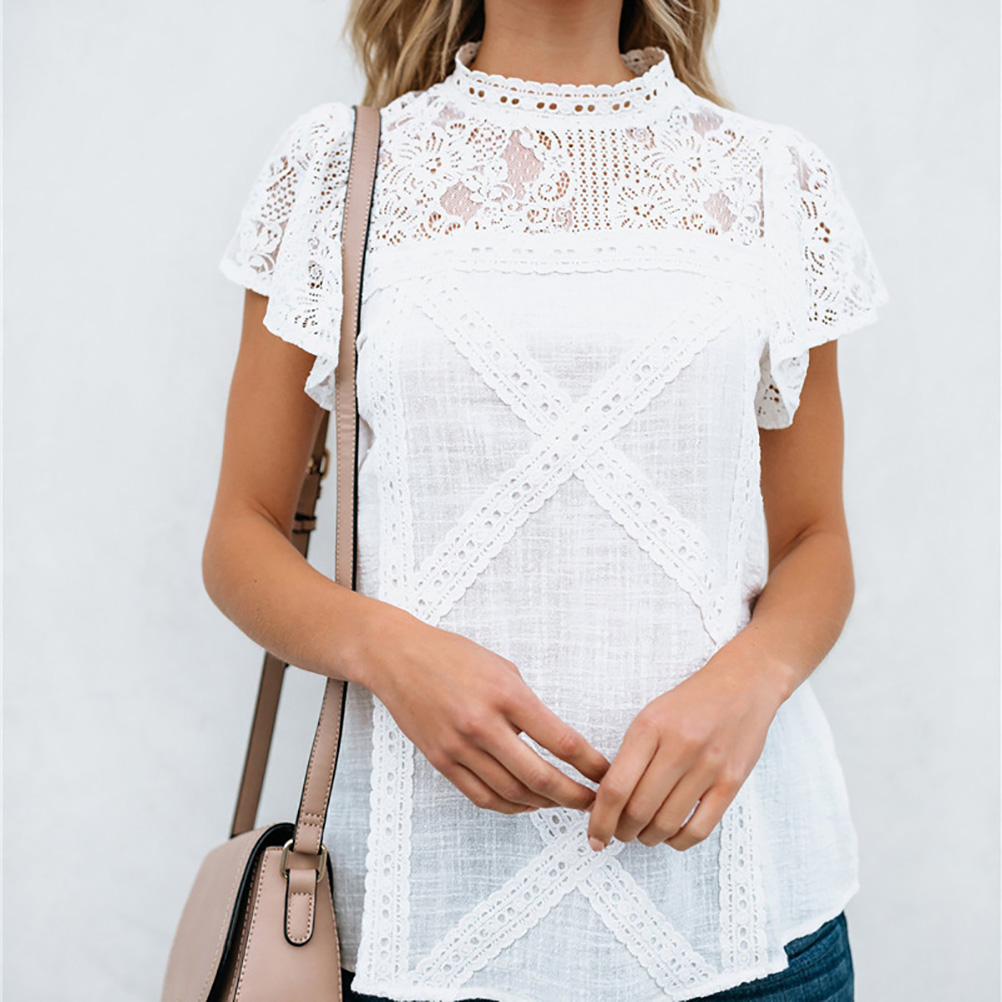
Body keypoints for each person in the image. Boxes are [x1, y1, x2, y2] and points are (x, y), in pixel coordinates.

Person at [205, 1, 889, 999]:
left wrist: (750, 683)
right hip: (414, 921)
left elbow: (815, 538)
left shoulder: (775, 179)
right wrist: (387, 650)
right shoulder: (337, 170)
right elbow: (243, 533)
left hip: (747, 914)